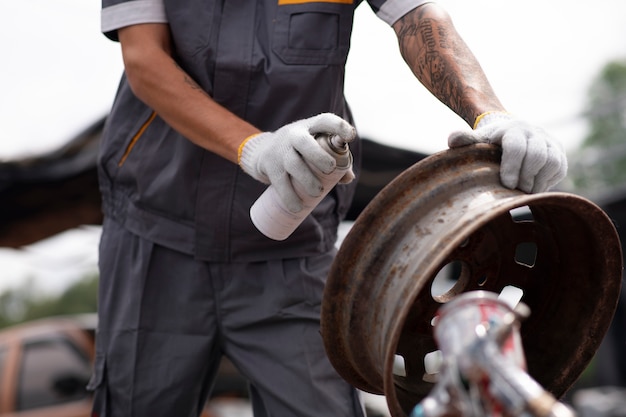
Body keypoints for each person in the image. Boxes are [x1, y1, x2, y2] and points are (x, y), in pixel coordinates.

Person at [88, 1, 568, 416]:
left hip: (293, 251)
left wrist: (489, 114)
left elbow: (419, 17)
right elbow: (145, 58)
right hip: (156, 241)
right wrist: (254, 149)